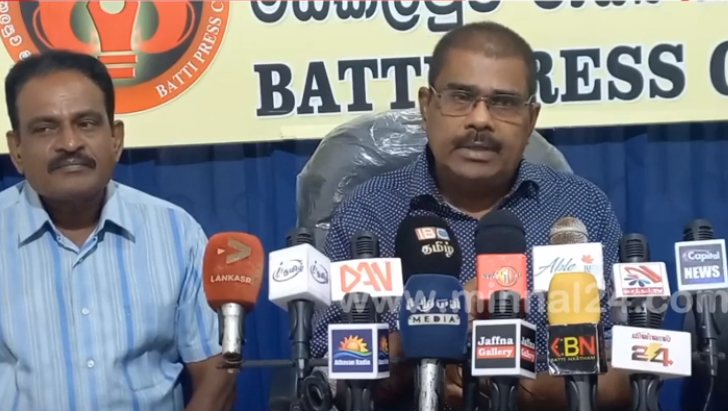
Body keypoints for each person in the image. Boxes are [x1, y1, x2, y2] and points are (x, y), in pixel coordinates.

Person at [311, 22, 630, 411]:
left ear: (531, 118)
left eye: (504, 102)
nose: (480, 119)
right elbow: (328, 374)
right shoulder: (368, 212)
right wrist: (431, 327)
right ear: (426, 106)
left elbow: (626, 371)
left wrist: (507, 385)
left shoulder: (580, 209)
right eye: (461, 97)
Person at [0, 50, 235, 411]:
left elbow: (217, 372)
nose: (70, 143)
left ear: (115, 138)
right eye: (45, 128)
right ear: (17, 149)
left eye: (86, 123)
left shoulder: (176, 234)